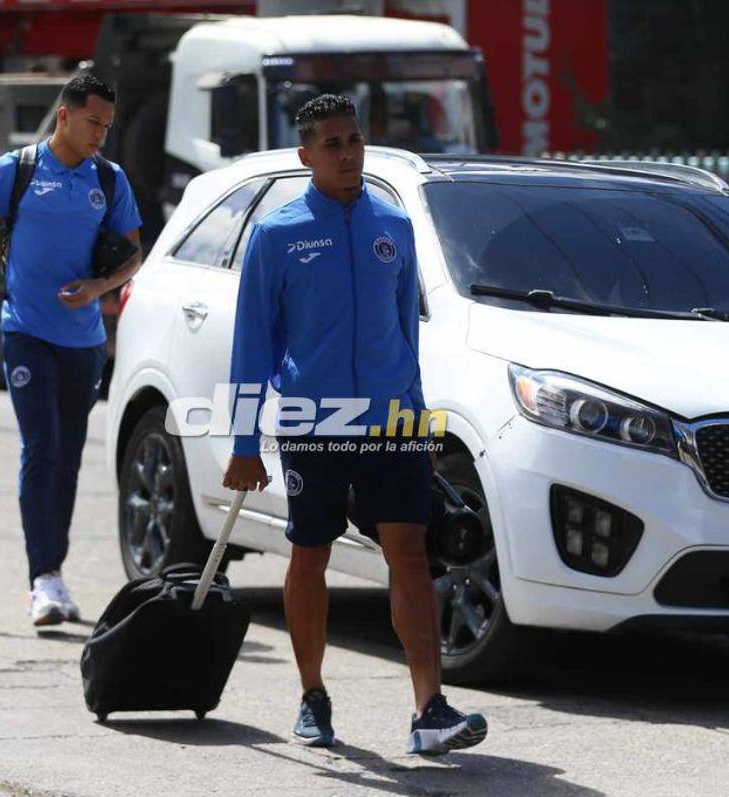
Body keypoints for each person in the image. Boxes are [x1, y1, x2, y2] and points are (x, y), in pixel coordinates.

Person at [222, 94, 487, 756]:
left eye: (354, 140)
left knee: (408, 553)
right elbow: (252, 343)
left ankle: (430, 707)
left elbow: (407, 334)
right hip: (315, 422)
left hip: (393, 420)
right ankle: (312, 696)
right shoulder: (278, 233)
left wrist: (419, 422)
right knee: (310, 553)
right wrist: (243, 441)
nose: (347, 154)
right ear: (307, 154)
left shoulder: (393, 224)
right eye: (332, 144)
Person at [0, 73, 143, 626]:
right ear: (63, 116)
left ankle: (54, 573)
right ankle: (41, 577)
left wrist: (96, 289)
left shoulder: (109, 181)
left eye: (107, 127)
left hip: (83, 342)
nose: (100, 136)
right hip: (25, 331)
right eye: (93, 123)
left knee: (65, 458)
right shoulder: (14, 171)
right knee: (40, 448)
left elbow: (133, 255)